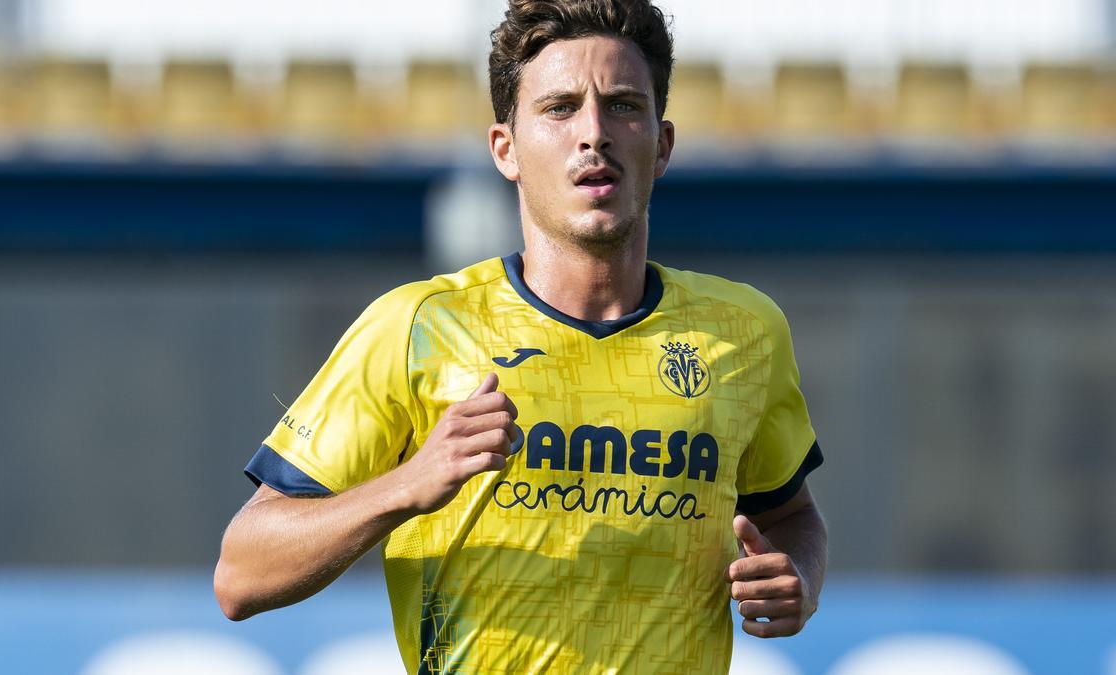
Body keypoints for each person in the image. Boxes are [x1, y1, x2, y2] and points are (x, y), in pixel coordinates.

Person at [214, 0, 827, 672]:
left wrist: (796, 573)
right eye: (560, 108)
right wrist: (406, 484)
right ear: (505, 150)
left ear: (663, 145)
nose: (594, 133)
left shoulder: (743, 330)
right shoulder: (419, 326)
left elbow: (792, 513)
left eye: (623, 105)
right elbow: (242, 573)